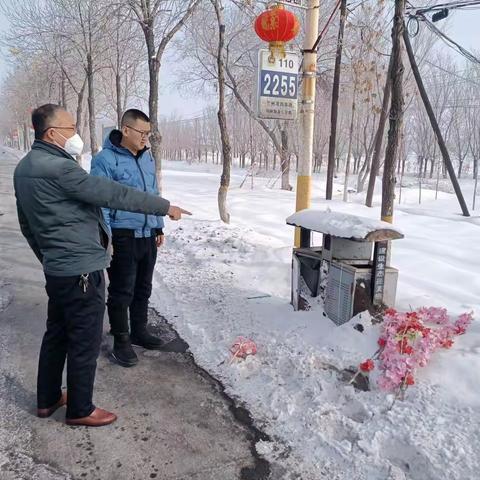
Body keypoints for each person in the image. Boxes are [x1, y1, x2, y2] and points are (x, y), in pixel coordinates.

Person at [13, 104, 190, 427]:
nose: (75, 134)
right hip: (80, 269)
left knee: (57, 334)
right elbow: (113, 194)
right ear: (51, 133)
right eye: (70, 128)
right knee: (85, 340)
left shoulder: (25, 168)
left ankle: (48, 397)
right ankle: (80, 409)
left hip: (59, 268)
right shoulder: (61, 169)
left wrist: (50, 258)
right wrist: (165, 207)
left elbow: (27, 225)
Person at [91, 110, 184, 367]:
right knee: (122, 291)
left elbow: (152, 193)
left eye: (149, 133)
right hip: (123, 236)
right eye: (142, 133)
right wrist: (106, 238)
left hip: (146, 235)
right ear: (126, 130)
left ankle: (139, 330)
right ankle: (120, 340)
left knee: (143, 288)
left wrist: (157, 227)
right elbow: (101, 202)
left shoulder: (147, 158)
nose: (146, 138)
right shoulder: (105, 160)